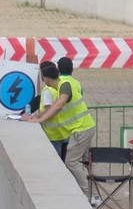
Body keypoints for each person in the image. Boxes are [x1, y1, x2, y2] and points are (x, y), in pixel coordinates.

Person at [22, 60, 98, 201]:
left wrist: (39, 120)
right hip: (81, 128)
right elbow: (53, 108)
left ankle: (89, 195)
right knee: (84, 162)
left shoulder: (64, 85)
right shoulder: (62, 85)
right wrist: (36, 116)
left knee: (71, 162)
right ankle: (92, 193)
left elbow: (59, 104)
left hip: (82, 129)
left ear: (45, 79)